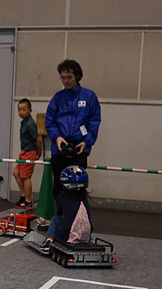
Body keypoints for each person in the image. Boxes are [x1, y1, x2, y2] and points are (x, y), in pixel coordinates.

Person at [45, 59, 101, 199]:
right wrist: (57, 138)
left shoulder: (89, 96)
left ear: (77, 76)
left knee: (77, 188)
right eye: (63, 78)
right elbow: (50, 122)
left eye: (69, 77)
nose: (66, 81)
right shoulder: (57, 98)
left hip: (80, 148)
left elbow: (94, 122)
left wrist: (86, 142)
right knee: (58, 187)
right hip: (59, 148)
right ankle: (61, 217)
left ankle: (77, 217)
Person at [40, 165, 92, 251]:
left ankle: (48, 240)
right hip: (85, 235)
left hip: (65, 234)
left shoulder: (61, 197)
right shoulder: (84, 198)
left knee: (55, 219)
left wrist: (57, 237)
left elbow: (61, 216)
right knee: (83, 221)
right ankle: (90, 240)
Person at [13, 99, 42, 209]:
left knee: (26, 177)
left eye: (23, 110)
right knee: (16, 173)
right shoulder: (24, 122)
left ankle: (28, 200)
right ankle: (23, 195)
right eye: (19, 110)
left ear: (30, 110)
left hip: (30, 152)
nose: (21, 112)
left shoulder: (30, 124)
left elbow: (38, 139)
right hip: (24, 152)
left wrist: (38, 153)